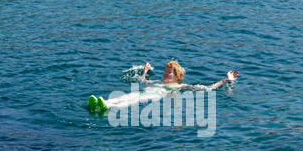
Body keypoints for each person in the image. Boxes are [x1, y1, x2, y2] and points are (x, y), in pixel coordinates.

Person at [88, 60, 238, 113]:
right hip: (140, 93)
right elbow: (144, 81)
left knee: (128, 102)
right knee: (124, 97)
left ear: (177, 77)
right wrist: (145, 71)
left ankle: (106, 108)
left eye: (169, 73)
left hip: (147, 98)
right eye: (165, 72)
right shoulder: (158, 82)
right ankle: (104, 103)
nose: (165, 75)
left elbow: (208, 88)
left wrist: (225, 80)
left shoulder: (180, 86)